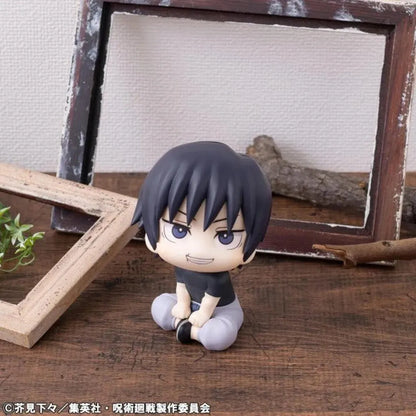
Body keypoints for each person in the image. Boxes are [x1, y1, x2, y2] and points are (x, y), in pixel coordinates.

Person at [131, 141, 272, 351]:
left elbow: (211, 300)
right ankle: (186, 327)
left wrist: (203, 316)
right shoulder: (182, 268)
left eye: (225, 236)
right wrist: (182, 305)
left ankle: (188, 330)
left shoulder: (217, 277)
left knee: (219, 336)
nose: (199, 250)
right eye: (179, 230)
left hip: (221, 311)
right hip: (190, 308)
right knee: (159, 305)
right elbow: (181, 287)